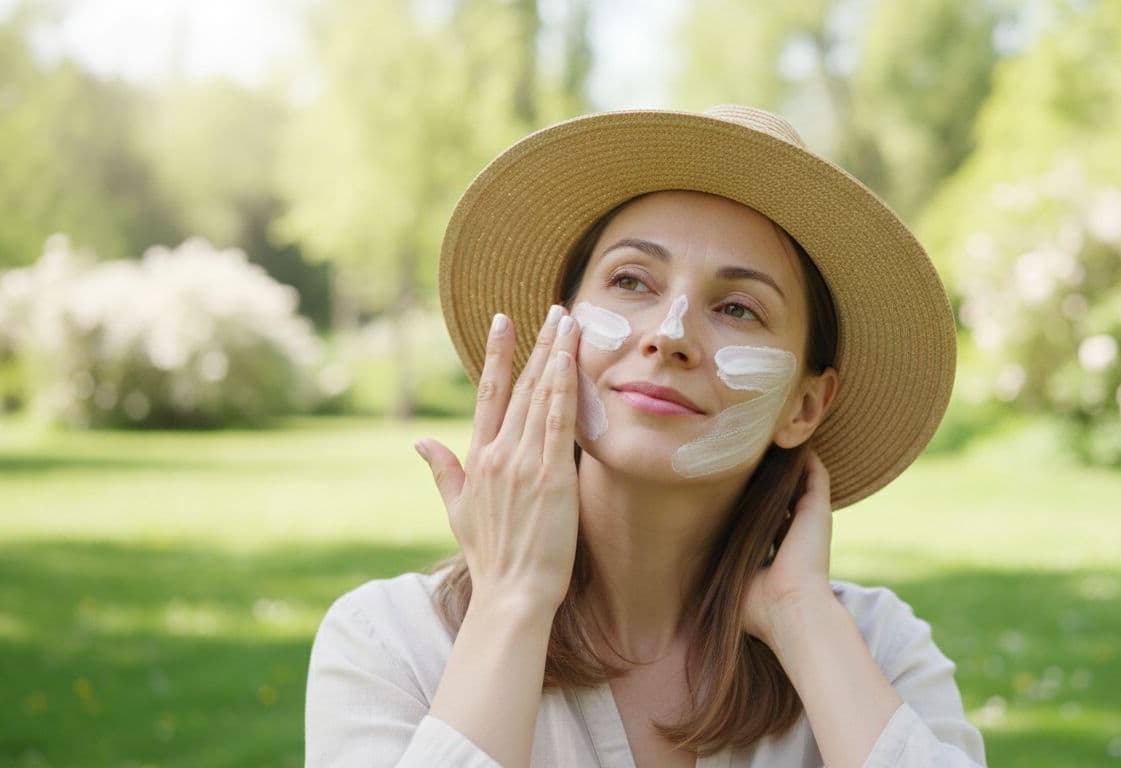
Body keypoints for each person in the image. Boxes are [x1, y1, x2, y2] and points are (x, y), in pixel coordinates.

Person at [305, 105, 985, 768]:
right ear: (558, 331)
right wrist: (512, 601)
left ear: (804, 407)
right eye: (631, 281)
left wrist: (801, 616)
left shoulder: (878, 650)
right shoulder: (389, 641)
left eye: (738, 308)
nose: (670, 333)